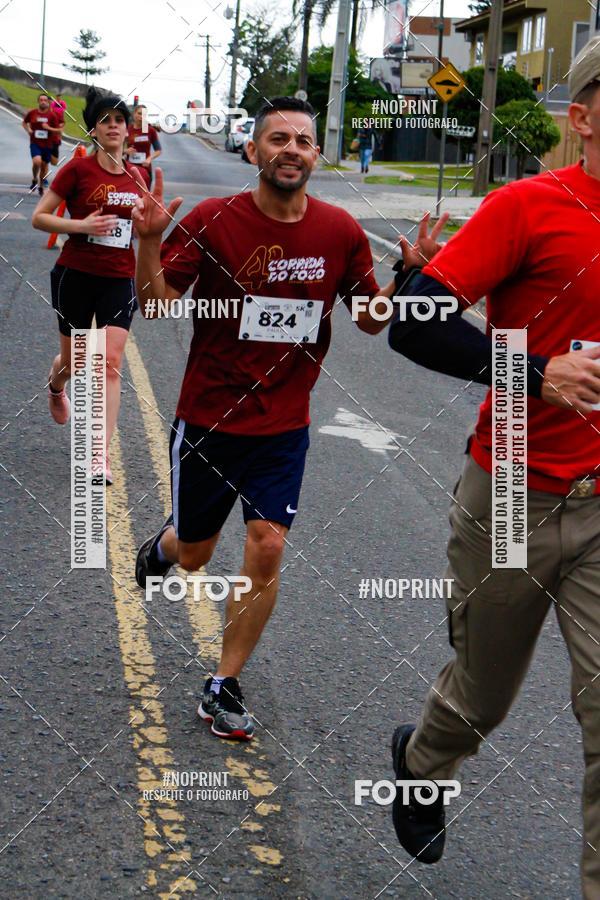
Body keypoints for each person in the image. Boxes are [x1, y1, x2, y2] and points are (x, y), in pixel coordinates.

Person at [387, 36, 600, 898]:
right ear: (582, 118)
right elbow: (413, 321)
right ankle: (423, 759)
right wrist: (537, 374)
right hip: (512, 490)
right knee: (483, 696)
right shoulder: (528, 206)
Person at [132, 96, 412, 741]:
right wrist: (148, 244)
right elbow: (158, 306)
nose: (292, 150)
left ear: (317, 156)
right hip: (209, 420)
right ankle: (166, 546)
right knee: (195, 555)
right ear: (253, 149)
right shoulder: (212, 220)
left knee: (267, 545)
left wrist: (407, 275)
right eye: (278, 139)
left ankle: (223, 684)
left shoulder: (339, 231)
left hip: (283, 425)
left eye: (304, 141)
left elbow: (370, 320)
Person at [31, 86, 147, 485]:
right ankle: (55, 385)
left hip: (119, 277)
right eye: (105, 120)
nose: (113, 126)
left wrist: (146, 224)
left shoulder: (137, 176)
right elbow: (40, 217)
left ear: (128, 129)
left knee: (110, 362)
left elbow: (142, 230)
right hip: (76, 274)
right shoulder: (77, 171)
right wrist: (79, 225)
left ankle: (99, 454)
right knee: (76, 362)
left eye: (119, 120)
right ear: (94, 130)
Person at [22, 93, 62, 194]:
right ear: (38, 102)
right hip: (35, 143)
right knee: (37, 162)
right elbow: (24, 123)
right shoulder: (33, 113)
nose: (43, 102)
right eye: (41, 100)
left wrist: (49, 128)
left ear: (48, 102)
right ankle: (34, 178)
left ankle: (40, 185)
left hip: (47, 145)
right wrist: (28, 130)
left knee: (44, 167)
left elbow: (58, 130)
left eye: (45, 100)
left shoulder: (52, 115)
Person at [125, 104, 161, 186]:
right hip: (129, 167)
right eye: (139, 113)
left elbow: (158, 150)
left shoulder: (150, 130)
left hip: (145, 167)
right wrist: (125, 151)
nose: (141, 116)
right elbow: (117, 148)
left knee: (144, 192)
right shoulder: (127, 129)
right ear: (134, 114)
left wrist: (149, 159)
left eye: (144, 114)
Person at [50, 93, 67, 174]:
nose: (58, 98)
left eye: (59, 96)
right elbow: (52, 109)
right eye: (57, 96)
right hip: (54, 118)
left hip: (60, 119)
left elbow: (64, 109)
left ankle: (58, 141)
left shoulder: (62, 103)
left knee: (59, 132)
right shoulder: (53, 103)